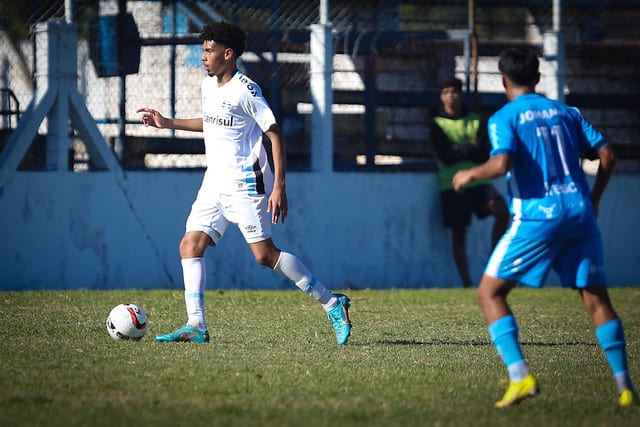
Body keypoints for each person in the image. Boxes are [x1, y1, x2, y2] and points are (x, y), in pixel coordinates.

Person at [136, 22, 351, 345]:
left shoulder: (246, 90)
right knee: (189, 245)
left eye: (208, 51)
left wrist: (280, 186)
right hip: (214, 183)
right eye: (203, 50)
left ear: (228, 53)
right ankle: (196, 324)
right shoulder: (208, 86)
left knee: (264, 256)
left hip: (245, 184)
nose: (203, 57)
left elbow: (274, 133)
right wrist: (167, 122)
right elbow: (209, 123)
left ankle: (332, 303)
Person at [452, 46, 636, 407]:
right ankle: (625, 387)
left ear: (503, 80)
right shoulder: (567, 113)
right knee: (597, 299)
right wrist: (595, 197)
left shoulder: (504, 117)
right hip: (580, 213)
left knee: (489, 293)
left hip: (538, 217)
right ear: (538, 79)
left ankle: (520, 377)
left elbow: (502, 162)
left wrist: (470, 173)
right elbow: (608, 154)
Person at [430, 76, 510, 287]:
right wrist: (470, 147)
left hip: (478, 181)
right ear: (441, 96)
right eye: (446, 92)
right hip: (452, 185)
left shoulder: (476, 120)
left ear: (461, 94)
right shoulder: (437, 123)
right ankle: (467, 282)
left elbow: (484, 154)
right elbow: (446, 155)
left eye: (454, 92)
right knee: (459, 233)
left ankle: (493, 269)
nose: (450, 96)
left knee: (501, 210)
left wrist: (462, 150)